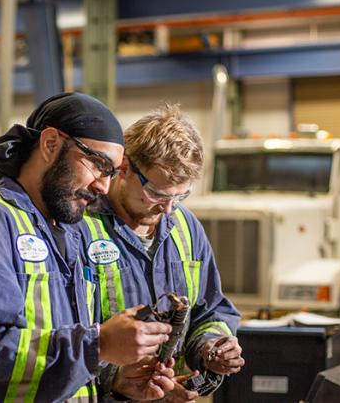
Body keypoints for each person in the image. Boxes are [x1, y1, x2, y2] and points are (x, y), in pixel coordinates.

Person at [0, 92, 176, 403]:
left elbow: (57, 354)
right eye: (98, 164)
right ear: (50, 144)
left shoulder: (70, 232)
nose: (103, 186)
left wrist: (114, 380)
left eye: (111, 173)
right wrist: (97, 345)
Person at [80, 104, 245, 402]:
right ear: (125, 167)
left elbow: (211, 309)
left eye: (180, 195)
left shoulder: (185, 225)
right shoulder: (79, 228)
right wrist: (115, 378)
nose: (167, 209)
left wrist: (211, 347)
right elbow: (61, 337)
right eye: (156, 194)